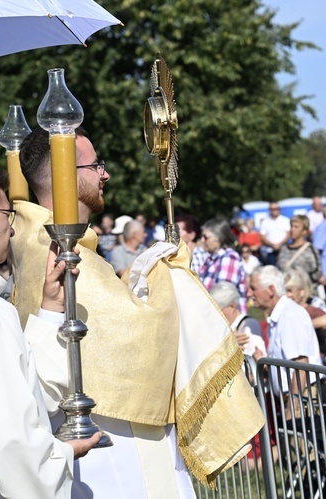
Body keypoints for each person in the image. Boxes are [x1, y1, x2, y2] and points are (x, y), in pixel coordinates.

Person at [13, 127, 263, 496]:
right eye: (96, 164)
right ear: (64, 174)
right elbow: (140, 335)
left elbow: (109, 314)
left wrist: (144, 268)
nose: (105, 174)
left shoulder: (31, 238)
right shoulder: (55, 247)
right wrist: (167, 274)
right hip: (113, 441)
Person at [0, 160, 100, 498]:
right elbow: (10, 443)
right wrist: (66, 452)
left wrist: (51, 309)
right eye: (7, 214)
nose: (12, 229)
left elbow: (15, 396)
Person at [248, 266, 322, 394]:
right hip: (294, 397)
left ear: (271, 290)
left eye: (254, 289)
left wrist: (293, 406)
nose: (250, 294)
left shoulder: (290, 314)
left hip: (303, 396)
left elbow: (301, 365)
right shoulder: (280, 315)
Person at [199, 216, 248, 312]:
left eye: (206, 237)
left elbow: (224, 296)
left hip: (227, 320)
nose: (202, 240)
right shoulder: (211, 259)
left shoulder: (229, 258)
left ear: (220, 238)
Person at [209, 282, 265, 358]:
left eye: (218, 310)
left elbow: (256, 362)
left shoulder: (248, 325)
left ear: (232, 305)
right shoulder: (220, 328)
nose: (215, 316)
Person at [283, 268, 326, 354]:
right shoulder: (285, 312)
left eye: (290, 290)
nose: (286, 295)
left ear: (301, 292)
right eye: (284, 291)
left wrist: (301, 326)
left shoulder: (313, 311)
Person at [276, 214, 321, 285]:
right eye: (292, 226)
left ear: (304, 231)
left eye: (296, 227)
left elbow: (317, 272)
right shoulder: (284, 249)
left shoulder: (310, 249)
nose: (292, 229)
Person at [259, 201, 290, 266]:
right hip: (270, 251)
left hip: (284, 250)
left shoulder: (285, 220)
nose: (275, 211)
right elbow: (262, 236)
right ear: (270, 210)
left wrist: (280, 244)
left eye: (277, 208)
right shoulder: (265, 222)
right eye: (273, 209)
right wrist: (273, 245)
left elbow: (288, 234)